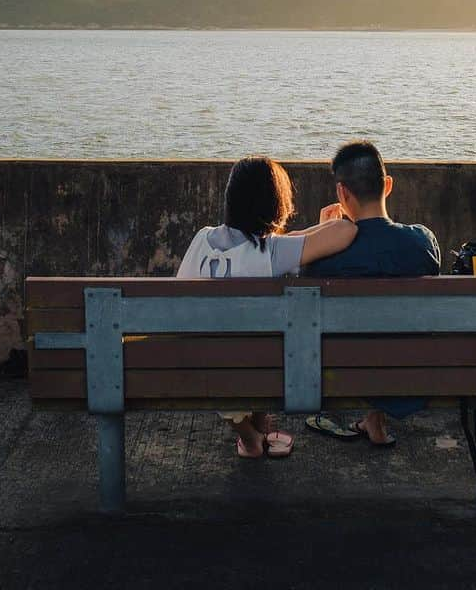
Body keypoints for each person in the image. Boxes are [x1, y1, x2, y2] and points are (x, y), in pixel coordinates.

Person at [175, 155, 357, 459]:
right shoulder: (272, 252)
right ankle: (253, 433)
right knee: (263, 344)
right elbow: (347, 232)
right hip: (260, 370)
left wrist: (302, 234)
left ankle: (248, 436)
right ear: (276, 203)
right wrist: (335, 220)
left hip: (193, 368)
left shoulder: (201, 238)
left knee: (229, 342)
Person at [305, 141, 441, 446]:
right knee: (392, 327)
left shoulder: (325, 258)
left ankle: (372, 419)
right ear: (388, 185)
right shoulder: (423, 244)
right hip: (412, 374)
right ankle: (375, 421)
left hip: (342, 372)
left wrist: (322, 234)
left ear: (342, 193)